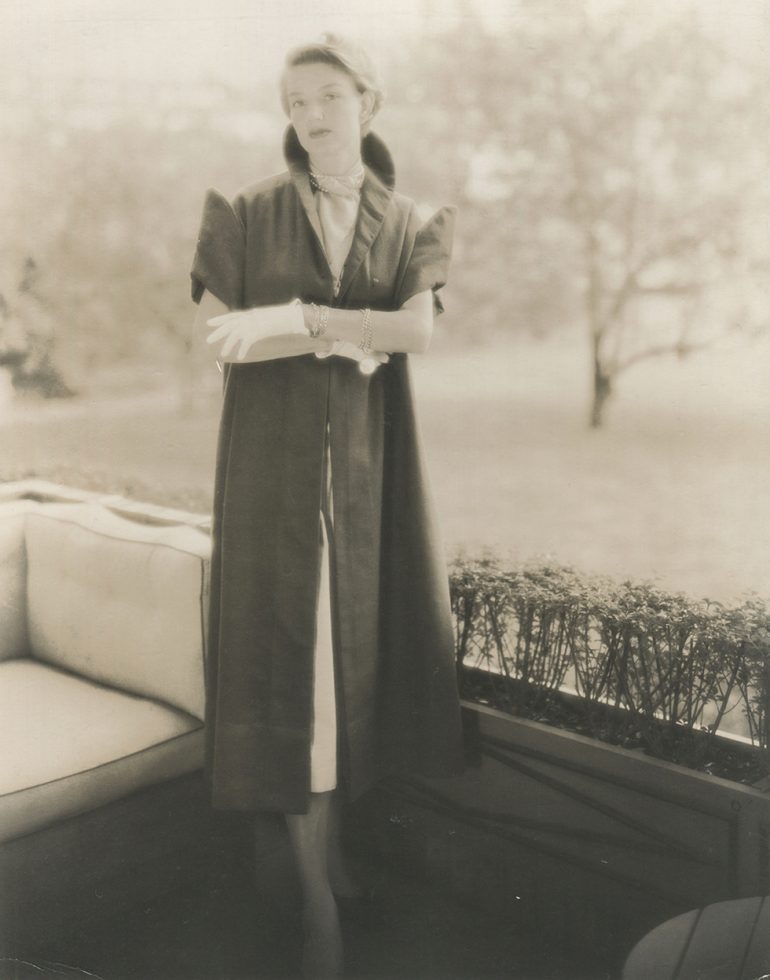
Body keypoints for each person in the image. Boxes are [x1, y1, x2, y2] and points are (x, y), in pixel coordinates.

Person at [191, 33, 465, 978]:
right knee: (297, 689)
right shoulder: (241, 212)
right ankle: (318, 916)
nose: (310, 116)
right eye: (294, 100)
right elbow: (223, 341)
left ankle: (331, 863)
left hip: (365, 481)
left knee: (351, 679)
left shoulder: (415, 219)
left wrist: (299, 320)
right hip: (272, 484)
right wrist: (339, 331)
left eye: (329, 96)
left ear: (368, 102)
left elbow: (416, 333)